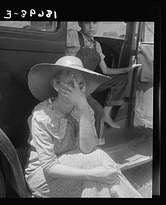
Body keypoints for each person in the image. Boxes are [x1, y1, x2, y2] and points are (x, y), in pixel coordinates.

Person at [25, 55, 143, 198]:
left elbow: (87, 149)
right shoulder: (41, 116)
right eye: (70, 83)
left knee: (101, 175)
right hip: (44, 177)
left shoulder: (86, 109)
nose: (77, 90)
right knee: (97, 167)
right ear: (56, 86)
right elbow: (50, 167)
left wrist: (82, 106)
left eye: (81, 84)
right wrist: (92, 173)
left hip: (77, 165)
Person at [67, 21, 141, 129]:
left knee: (121, 79)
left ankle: (107, 115)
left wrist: (127, 69)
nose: (92, 26)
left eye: (95, 22)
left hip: (90, 83)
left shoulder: (96, 45)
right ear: (80, 24)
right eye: (87, 22)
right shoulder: (72, 35)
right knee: (97, 111)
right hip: (75, 84)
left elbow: (106, 70)